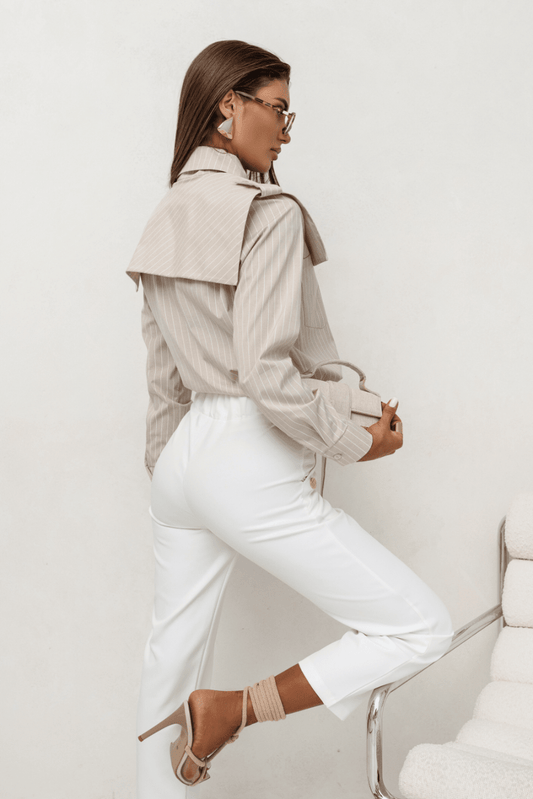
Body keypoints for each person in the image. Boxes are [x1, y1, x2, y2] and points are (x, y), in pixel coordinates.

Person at [126, 39, 454, 798]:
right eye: (276, 109)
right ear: (226, 106)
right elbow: (267, 375)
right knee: (420, 626)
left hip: (183, 463)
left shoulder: (164, 214)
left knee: (166, 662)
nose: (285, 129)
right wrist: (354, 439)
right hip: (245, 454)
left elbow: (163, 374)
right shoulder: (267, 213)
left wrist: (174, 471)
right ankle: (233, 709)